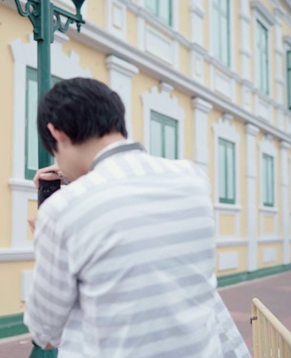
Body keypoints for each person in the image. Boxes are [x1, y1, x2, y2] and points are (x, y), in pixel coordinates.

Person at [24, 78, 250, 357]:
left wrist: (49, 238)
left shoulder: (63, 211)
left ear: (56, 132)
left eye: (55, 153)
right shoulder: (193, 179)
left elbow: (45, 334)